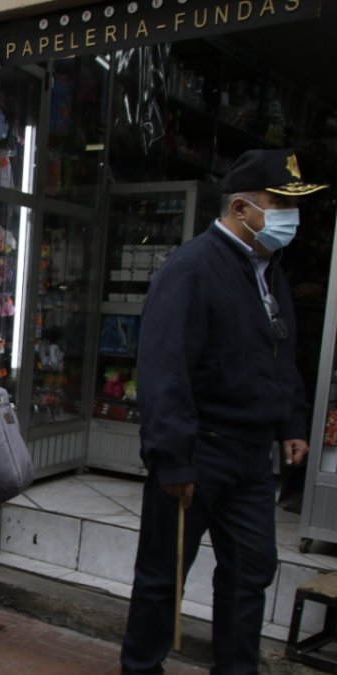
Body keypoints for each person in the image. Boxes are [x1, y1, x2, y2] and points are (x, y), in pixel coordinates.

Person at [120, 149, 322, 674]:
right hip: (198, 452)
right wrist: (174, 458)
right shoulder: (191, 270)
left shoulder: (269, 271)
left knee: (251, 570)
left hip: (251, 459)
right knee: (165, 574)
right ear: (240, 208)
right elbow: (165, 371)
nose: (290, 220)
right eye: (280, 205)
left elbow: (279, 353)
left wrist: (291, 422)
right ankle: (141, 667)